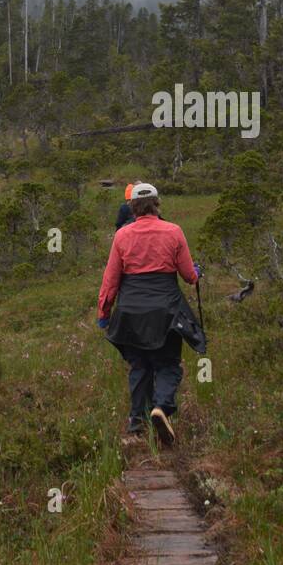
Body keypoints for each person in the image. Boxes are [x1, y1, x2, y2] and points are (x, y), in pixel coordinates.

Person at [97, 182, 204, 445]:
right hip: (165, 311)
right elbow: (189, 276)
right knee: (167, 363)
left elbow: (111, 279)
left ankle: (136, 422)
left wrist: (104, 312)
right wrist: (197, 272)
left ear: (132, 206)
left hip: (131, 313)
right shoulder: (174, 232)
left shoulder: (122, 236)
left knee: (139, 366)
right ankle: (161, 408)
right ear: (157, 203)